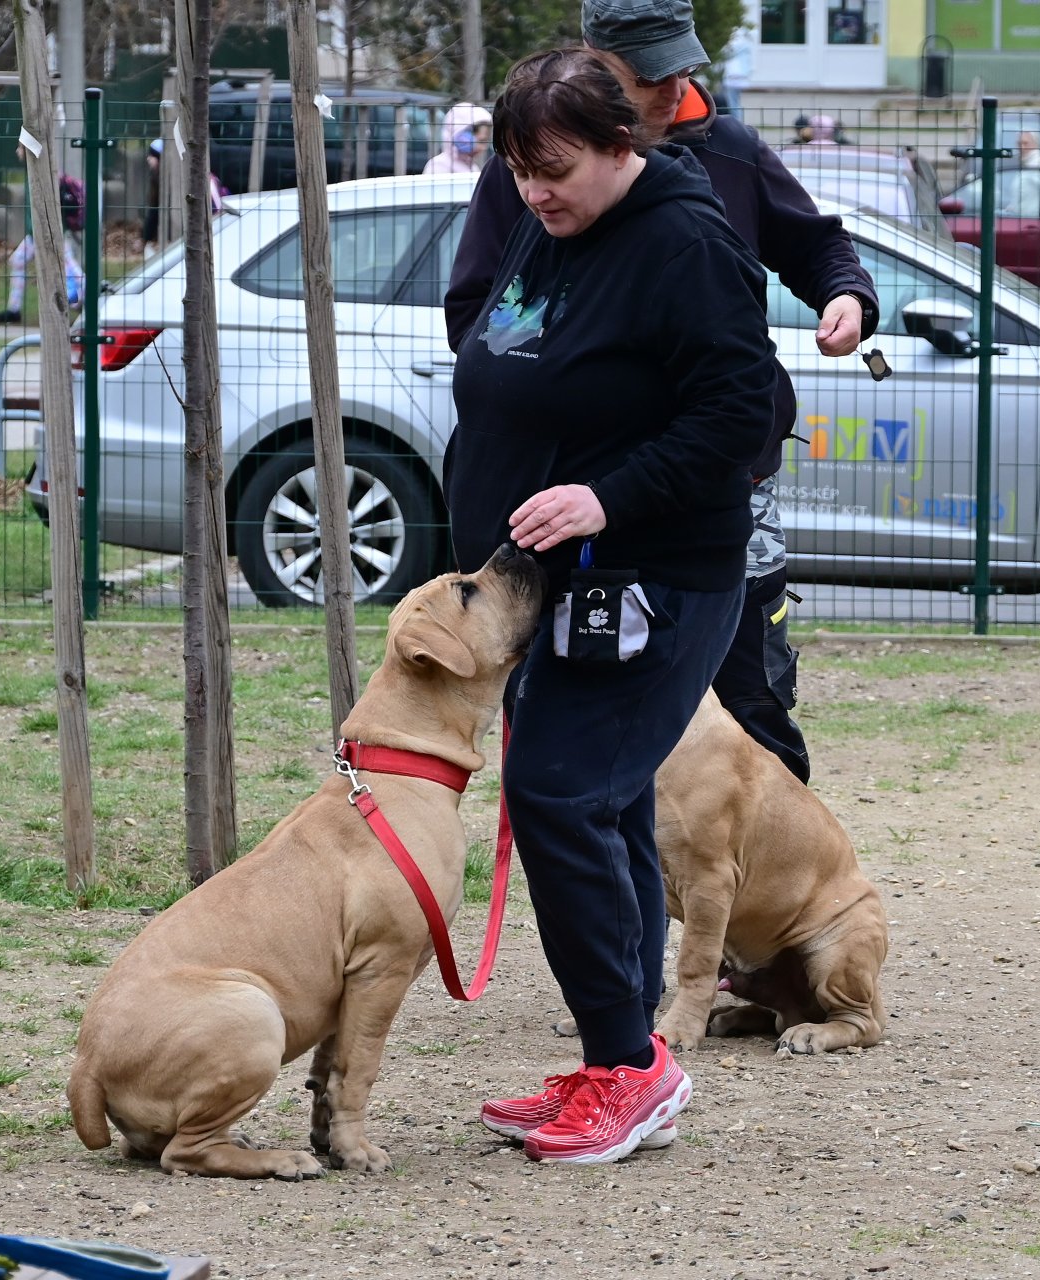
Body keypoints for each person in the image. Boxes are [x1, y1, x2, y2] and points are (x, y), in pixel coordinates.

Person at [447, 47, 779, 1164]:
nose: (535, 192)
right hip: (555, 582)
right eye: (519, 170)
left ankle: (627, 1068)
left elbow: (743, 410)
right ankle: (621, 1055)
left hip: (659, 576)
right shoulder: (557, 226)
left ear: (620, 145)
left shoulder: (686, 244)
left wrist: (605, 493)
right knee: (607, 800)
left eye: (557, 169)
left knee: (560, 791)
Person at [446, 0, 880, 786]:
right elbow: (478, 317)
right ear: (592, 63)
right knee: (578, 751)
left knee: (749, 696)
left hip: (717, 491)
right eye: (647, 73)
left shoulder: (727, 153)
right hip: (576, 512)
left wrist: (846, 295)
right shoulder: (534, 171)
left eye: (681, 67)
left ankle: (777, 893)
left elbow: (815, 246)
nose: (669, 88)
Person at [0, 149, 84, 325]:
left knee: (69, 265)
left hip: (50, 235)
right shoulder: (29, 171)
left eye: (20, 147)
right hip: (34, 235)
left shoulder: (42, 171)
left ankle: (90, 295)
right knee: (18, 260)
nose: (17, 151)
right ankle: (14, 309)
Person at [423, 102, 492, 174]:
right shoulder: (438, 166)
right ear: (459, 133)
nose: (483, 148)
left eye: (485, 141)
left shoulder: (473, 168)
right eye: (481, 141)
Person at [716, 23, 753, 116]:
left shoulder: (735, 44)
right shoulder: (745, 43)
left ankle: (736, 122)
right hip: (738, 76)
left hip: (733, 76)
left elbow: (725, 53)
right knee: (735, 101)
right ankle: (737, 122)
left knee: (732, 103)